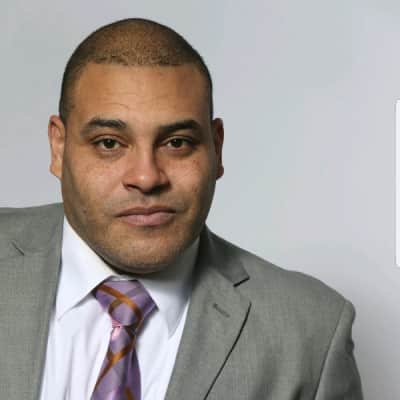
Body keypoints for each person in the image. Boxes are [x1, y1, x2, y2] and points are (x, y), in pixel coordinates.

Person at [0, 18, 363, 400]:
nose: (146, 177)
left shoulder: (311, 333)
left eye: (177, 143)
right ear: (58, 148)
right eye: (109, 143)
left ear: (217, 148)